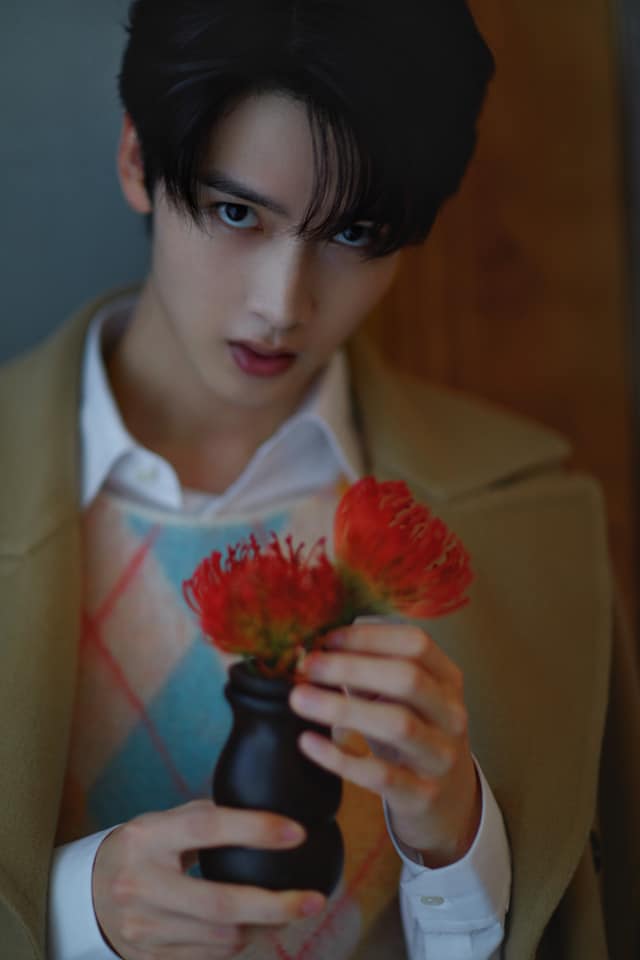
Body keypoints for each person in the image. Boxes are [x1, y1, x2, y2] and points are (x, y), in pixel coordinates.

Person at [0, 1, 638, 958]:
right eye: (237, 213)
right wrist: (69, 913)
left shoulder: (532, 517)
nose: (282, 306)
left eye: (355, 234)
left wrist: (458, 849)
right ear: (137, 159)